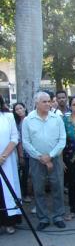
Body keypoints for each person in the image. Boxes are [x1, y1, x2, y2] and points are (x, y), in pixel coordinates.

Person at [22, 91, 66, 231]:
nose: (48, 104)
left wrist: (51, 155)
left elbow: (62, 139)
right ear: (37, 103)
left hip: (55, 159)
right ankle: (43, 218)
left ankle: (58, 216)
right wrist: (40, 156)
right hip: (37, 160)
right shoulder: (28, 120)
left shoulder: (56, 118)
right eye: (44, 102)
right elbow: (26, 142)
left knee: (58, 187)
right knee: (39, 189)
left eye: (49, 101)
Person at [0, 95, 22, 235]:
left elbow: (15, 137)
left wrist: (3, 156)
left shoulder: (8, 117)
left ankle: (9, 222)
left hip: (6, 161)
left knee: (8, 191)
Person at [12, 102, 31, 203]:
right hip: (23, 152)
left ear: (24, 108)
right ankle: (25, 194)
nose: (19, 111)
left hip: (33, 151)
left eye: (21, 108)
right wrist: (21, 155)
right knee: (24, 174)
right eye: (16, 109)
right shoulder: (15, 123)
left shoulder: (31, 119)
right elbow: (18, 141)